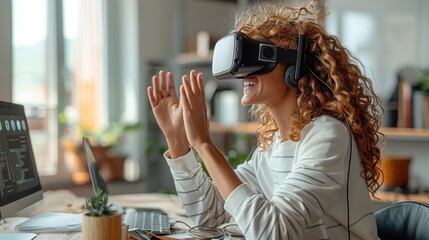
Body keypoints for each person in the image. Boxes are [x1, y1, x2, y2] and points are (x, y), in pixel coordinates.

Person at [147, 0, 384, 239]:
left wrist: (204, 145)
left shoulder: (327, 135)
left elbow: (273, 232)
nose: (243, 74)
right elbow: (212, 216)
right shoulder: (270, 150)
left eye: (256, 58)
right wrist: (177, 139)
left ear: (295, 67)